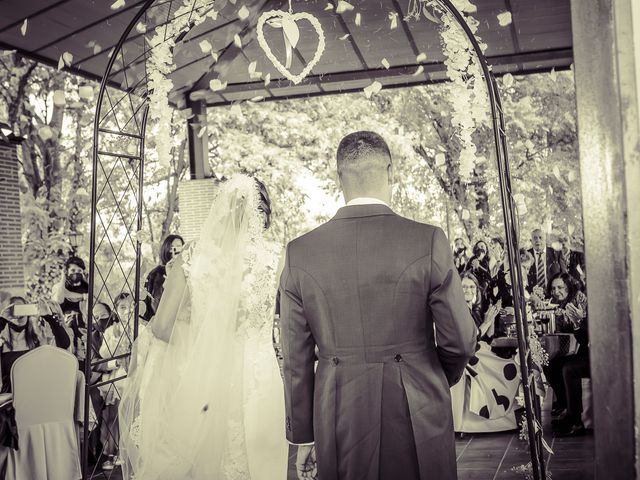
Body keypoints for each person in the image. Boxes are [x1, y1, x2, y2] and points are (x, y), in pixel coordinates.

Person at [278, 131, 477, 480]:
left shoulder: (299, 252)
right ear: (391, 172)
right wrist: (429, 375)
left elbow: (295, 359)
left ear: (339, 177)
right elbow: (460, 339)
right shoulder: (427, 240)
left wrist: (304, 436)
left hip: (337, 408)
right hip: (418, 403)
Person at [119, 175, 286, 479]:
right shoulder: (278, 258)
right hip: (260, 378)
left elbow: (161, 327)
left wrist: (198, 344)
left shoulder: (194, 257)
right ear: (263, 214)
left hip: (205, 378)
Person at [451, 273, 520, 432]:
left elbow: (487, 338)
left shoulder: (471, 308)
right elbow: (471, 339)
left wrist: (492, 318)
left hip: (478, 353)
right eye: (464, 286)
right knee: (511, 367)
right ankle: (501, 409)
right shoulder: (457, 309)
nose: (468, 290)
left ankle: (509, 410)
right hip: (467, 359)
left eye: (471, 286)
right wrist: (487, 321)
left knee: (511, 363)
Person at [0, 296, 71, 450]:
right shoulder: (1, 344)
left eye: (22, 309)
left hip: (36, 396)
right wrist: (1, 320)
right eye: (14, 310)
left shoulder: (38, 340)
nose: (18, 316)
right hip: (11, 398)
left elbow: (64, 343)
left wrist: (48, 316)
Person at [542, 272, 589, 436]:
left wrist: (577, 322)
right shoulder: (560, 303)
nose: (556, 291)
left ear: (569, 286)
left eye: (560, 287)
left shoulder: (580, 301)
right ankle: (565, 407)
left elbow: (586, 337)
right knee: (549, 362)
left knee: (569, 368)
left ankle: (576, 422)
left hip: (594, 352)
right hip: (581, 350)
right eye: (553, 288)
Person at [52, 256, 89, 371]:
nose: (76, 273)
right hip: (64, 330)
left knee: (82, 364)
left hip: (82, 331)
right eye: (72, 270)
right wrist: (63, 279)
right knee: (65, 362)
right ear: (66, 271)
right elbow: (58, 299)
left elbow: (91, 304)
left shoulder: (87, 287)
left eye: (79, 271)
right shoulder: (59, 287)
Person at [142, 234, 184, 322]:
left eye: (179, 247)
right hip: (164, 323)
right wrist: (168, 277)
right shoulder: (157, 273)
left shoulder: (188, 271)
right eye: (171, 247)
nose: (174, 251)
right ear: (166, 249)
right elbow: (154, 306)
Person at [527, 229, 562, 296]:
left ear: (545, 239)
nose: (538, 240)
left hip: (554, 295)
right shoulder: (526, 255)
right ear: (531, 241)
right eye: (535, 238)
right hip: (533, 297)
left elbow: (563, 275)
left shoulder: (556, 254)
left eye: (540, 237)